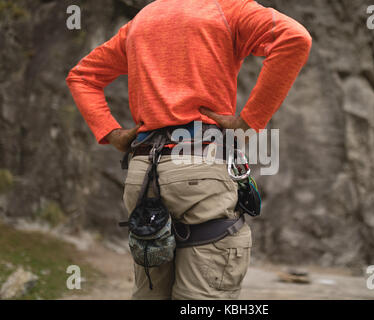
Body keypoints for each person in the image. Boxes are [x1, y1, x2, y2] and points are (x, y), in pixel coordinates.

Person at [66, 0, 311, 300]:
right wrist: (250, 121)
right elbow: (295, 38)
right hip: (201, 167)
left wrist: (112, 133)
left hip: (143, 172)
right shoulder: (228, 9)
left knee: (150, 292)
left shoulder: (142, 21)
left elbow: (82, 75)